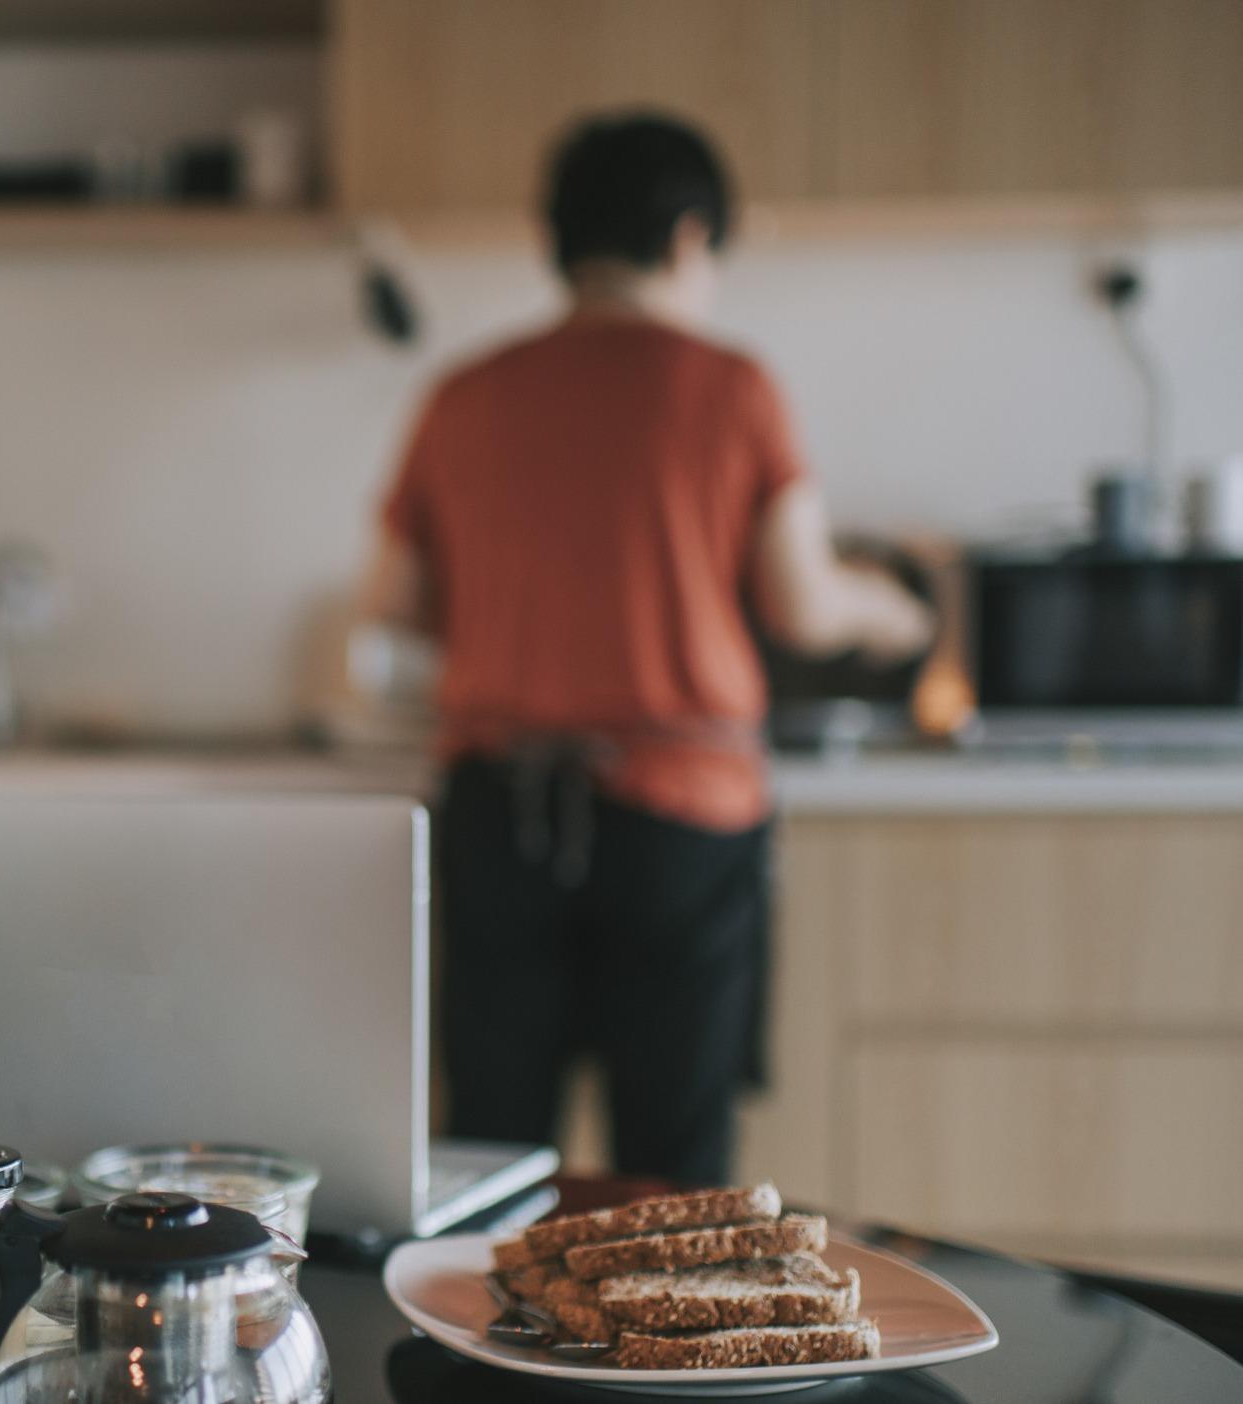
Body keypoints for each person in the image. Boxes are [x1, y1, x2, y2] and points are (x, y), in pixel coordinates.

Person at [362, 112, 933, 1186]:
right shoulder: (730, 389)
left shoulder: (463, 395)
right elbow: (803, 607)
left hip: (499, 811)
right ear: (686, 238)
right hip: (679, 817)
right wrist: (896, 612)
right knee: (672, 1168)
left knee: (489, 1156)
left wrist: (511, 618)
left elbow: (390, 602)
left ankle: (476, 1352)